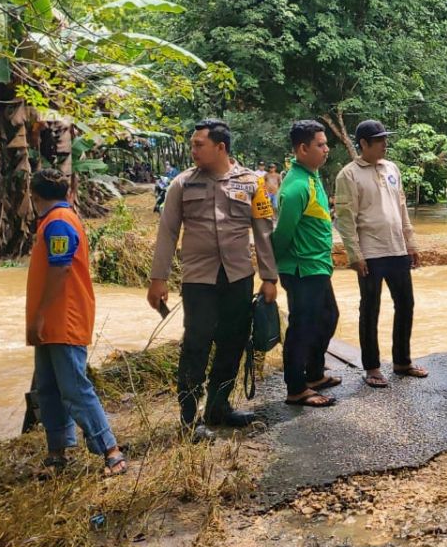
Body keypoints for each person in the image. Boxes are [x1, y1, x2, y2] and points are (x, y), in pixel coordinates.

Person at [149, 119, 279, 441]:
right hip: (198, 281)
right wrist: (158, 279)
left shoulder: (252, 183)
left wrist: (269, 278)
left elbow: (263, 232)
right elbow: (167, 232)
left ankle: (219, 407)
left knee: (233, 342)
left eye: (198, 145)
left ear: (220, 147)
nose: (193, 150)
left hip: (238, 277)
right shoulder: (182, 184)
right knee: (195, 345)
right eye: (192, 144)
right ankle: (190, 420)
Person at [26, 169, 127, 477]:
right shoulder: (58, 218)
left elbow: (60, 271)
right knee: (48, 388)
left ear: (35, 197)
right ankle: (57, 451)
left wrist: (41, 315)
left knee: (74, 388)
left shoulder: (57, 222)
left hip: (62, 320)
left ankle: (111, 451)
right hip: (53, 322)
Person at [334, 120, 427, 388]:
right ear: (363, 144)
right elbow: (346, 219)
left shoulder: (392, 169)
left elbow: (402, 209)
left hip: (397, 248)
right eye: (379, 140)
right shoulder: (348, 175)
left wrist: (412, 243)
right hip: (370, 254)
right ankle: (372, 367)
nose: (385, 144)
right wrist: (355, 254)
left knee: (406, 305)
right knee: (370, 309)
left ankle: (402, 361)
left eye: (386, 139)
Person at [274, 120, 339, 408]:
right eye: (320, 145)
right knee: (302, 328)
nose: (326, 150)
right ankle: (296, 388)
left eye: (326, 143)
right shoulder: (297, 187)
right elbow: (282, 235)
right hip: (302, 269)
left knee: (327, 317)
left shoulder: (311, 177)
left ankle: (314, 374)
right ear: (302, 149)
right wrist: (271, 272)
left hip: (317, 266)